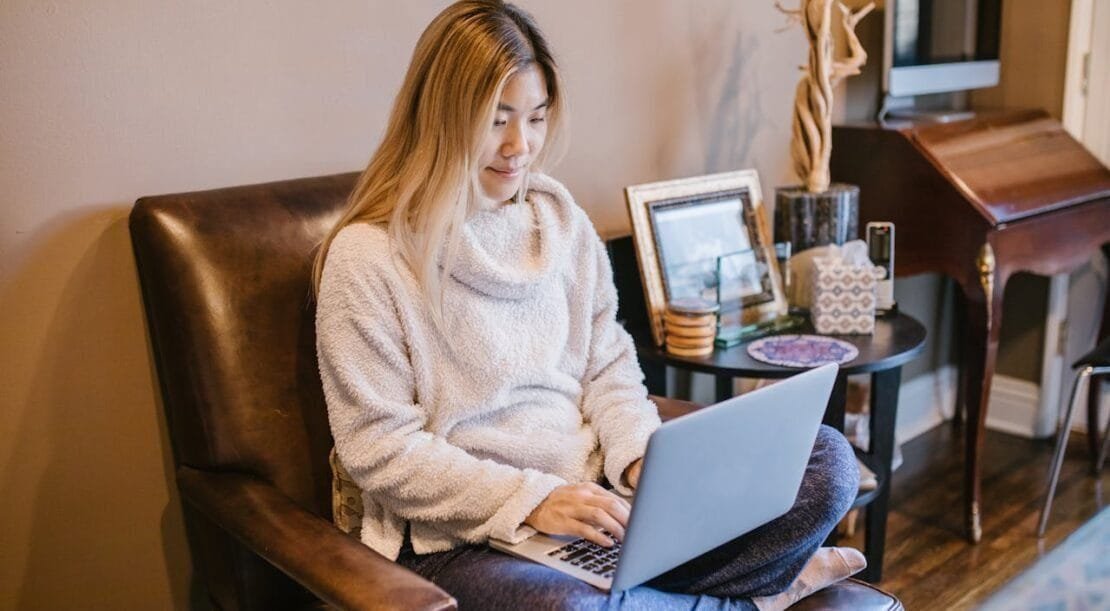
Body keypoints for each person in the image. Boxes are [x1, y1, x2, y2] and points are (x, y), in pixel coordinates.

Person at [313, 1, 862, 608]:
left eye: (537, 117)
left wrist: (637, 463)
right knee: (569, 607)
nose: (520, 146)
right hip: (464, 536)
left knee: (827, 461)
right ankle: (759, 596)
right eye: (496, 120)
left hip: (598, 501)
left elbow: (608, 367)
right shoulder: (367, 258)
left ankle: (672, 585)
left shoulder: (561, 223)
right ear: (441, 117)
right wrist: (534, 500)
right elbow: (380, 449)